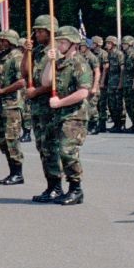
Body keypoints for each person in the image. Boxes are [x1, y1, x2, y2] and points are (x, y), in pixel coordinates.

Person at [46, 26, 92, 205]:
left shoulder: (79, 62)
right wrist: (51, 62)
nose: (59, 45)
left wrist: (59, 103)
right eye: (58, 41)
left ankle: (76, 189)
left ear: (73, 43)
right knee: (60, 151)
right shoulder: (61, 62)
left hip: (75, 115)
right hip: (61, 115)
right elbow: (47, 81)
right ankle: (68, 189)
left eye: (62, 42)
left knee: (68, 151)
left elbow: (83, 92)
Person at [25, 16, 62, 202]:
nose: (37, 34)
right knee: (42, 146)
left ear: (50, 31)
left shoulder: (55, 52)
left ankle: (57, 186)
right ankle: (50, 185)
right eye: (36, 31)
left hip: (49, 105)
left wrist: (36, 91)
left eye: (41, 31)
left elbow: (54, 81)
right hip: (37, 105)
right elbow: (26, 73)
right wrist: (26, 52)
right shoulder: (38, 51)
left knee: (51, 146)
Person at [0, 29, 27, 185]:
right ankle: (12, 170)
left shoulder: (17, 57)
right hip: (1, 104)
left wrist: (3, 91)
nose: (0, 43)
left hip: (12, 103)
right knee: (1, 139)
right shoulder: (2, 57)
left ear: (10, 42)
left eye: (2, 40)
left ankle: (17, 173)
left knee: (11, 138)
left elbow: (22, 81)